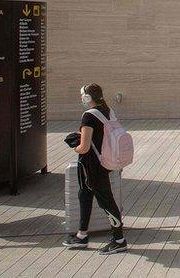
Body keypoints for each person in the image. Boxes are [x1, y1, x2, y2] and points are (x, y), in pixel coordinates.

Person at [62, 84, 128, 254]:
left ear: (87, 98)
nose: (81, 99)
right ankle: (82, 235)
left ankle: (119, 239)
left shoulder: (89, 116)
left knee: (106, 201)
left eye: (83, 96)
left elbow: (84, 147)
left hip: (91, 165)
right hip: (104, 161)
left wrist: (74, 146)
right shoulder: (108, 111)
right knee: (84, 194)